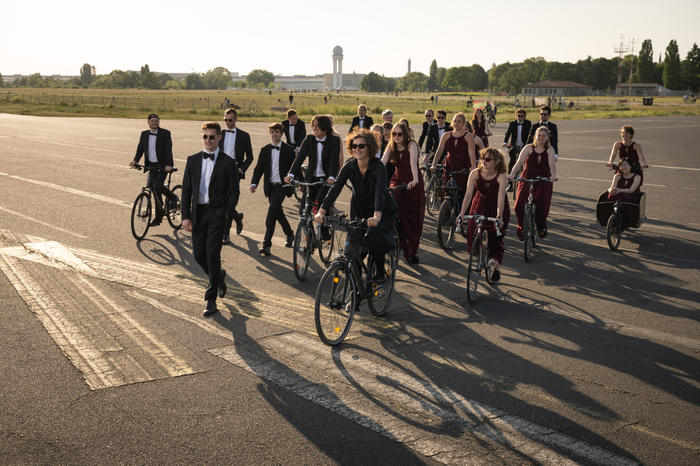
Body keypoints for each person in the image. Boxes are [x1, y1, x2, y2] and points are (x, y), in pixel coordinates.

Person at [315, 128, 398, 291]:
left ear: (370, 148)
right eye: (354, 146)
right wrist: (322, 211)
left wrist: (377, 215)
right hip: (359, 208)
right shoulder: (350, 166)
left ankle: (380, 272)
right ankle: (357, 290)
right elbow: (336, 188)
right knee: (353, 250)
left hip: (381, 209)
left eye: (361, 146)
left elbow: (380, 191)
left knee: (373, 235)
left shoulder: (378, 166)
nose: (357, 149)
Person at [181, 122, 239, 316]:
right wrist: (186, 217)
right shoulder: (193, 160)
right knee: (198, 255)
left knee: (212, 255)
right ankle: (219, 279)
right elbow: (187, 191)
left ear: (219, 137)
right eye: (205, 137)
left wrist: (226, 213)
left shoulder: (228, 162)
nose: (208, 140)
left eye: (211, 137)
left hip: (216, 215)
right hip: (198, 214)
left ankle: (211, 299)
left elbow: (234, 192)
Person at [458, 147, 510, 282]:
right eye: (482, 158)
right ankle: (479, 253)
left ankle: (496, 268)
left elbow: (500, 197)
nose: (484, 162)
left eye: (488, 159)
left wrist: (499, 217)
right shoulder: (475, 173)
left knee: (496, 237)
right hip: (479, 204)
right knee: (471, 230)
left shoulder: (501, 177)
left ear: (496, 161)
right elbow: (468, 194)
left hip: (496, 206)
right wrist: (462, 213)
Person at [250, 123, 297, 256]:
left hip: (282, 187)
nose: (274, 134)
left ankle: (266, 244)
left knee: (271, 215)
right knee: (278, 213)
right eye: (272, 132)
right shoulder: (265, 150)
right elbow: (259, 169)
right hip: (270, 187)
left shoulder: (289, 150)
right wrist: (254, 183)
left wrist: (296, 182)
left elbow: (295, 169)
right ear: (270, 133)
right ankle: (290, 234)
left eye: (277, 132)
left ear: (282, 134)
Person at [381, 123, 424, 264]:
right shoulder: (391, 145)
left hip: (412, 180)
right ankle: (393, 237)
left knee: (412, 218)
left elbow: (413, 164)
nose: (396, 137)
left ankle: (412, 251)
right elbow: (382, 163)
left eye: (399, 134)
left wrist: (415, 180)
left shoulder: (411, 145)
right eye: (394, 134)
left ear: (405, 134)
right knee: (393, 201)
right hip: (398, 179)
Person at [285, 115, 341, 220]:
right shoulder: (309, 139)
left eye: (317, 125)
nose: (314, 128)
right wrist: (290, 174)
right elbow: (299, 158)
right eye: (313, 125)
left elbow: (334, 161)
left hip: (325, 180)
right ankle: (306, 230)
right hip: (311, 179)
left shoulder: (334, 140)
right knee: (303, 209)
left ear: (325, 127)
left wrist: (332, 177)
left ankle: (324, 233)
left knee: (321, 207)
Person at [509, 126, 558, 240]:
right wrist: (512, 174)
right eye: (539, 135)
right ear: (535, 136)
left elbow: (552, 165)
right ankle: (522, 227)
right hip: (527, 176)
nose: (541, 137)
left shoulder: (550, 149)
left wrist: (553, 176)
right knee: (518, 205)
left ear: (547, 137)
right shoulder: (528, 147)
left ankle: (541, 226)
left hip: (543, 178)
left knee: (542, 202)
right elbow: (519, 162)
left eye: (544, 135)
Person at [130, 113, 174, 227]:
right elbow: (140, 149)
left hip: (163, 165)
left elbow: (168, 150)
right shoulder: (144, 134)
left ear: (159, 122)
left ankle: (174, 198)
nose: (154, 123)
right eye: (152, 121)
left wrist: (169, 165)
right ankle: (158, 218)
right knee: (153, 191)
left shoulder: (165, 133)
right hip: (151, 166)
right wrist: (135, 160)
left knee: (158, 186)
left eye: (156, 121)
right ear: (148, 122)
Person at [219, 108, 252, 242]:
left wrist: (242, 169)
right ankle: (237, 218)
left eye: (230, 120)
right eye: (225, 120)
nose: (228, 122)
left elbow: (250, 157)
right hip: (220, 171)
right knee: (223, 203)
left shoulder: (244, 136)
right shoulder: (219, 133)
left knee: (230, 203)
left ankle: (225, 233)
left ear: (236, 119)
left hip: (234, 171)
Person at [430, 113, 476, 195]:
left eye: (459, 121)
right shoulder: (446, 135)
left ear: (463, 123)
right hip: (449, 166)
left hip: (463, 167)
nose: (456, 123)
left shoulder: (469, 136)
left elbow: (472, 153)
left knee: (463, 192)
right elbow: (439, 150)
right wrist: (434, 164)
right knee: (446, 191)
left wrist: (473, 167)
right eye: (454, 121)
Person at [502, 108, 532, 180]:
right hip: (514, 146)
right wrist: (505, 142)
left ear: (525, 116)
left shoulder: (528, 123)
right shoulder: (512, 124)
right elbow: (508, 133)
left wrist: (529, 145)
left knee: (527, 163)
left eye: (522, 116)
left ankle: (526, 180)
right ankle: (510, 182)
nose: (520, 117)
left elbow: (530, 135)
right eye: (519, 116)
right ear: (516, 116)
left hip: (524, 146)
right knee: (512, 163)